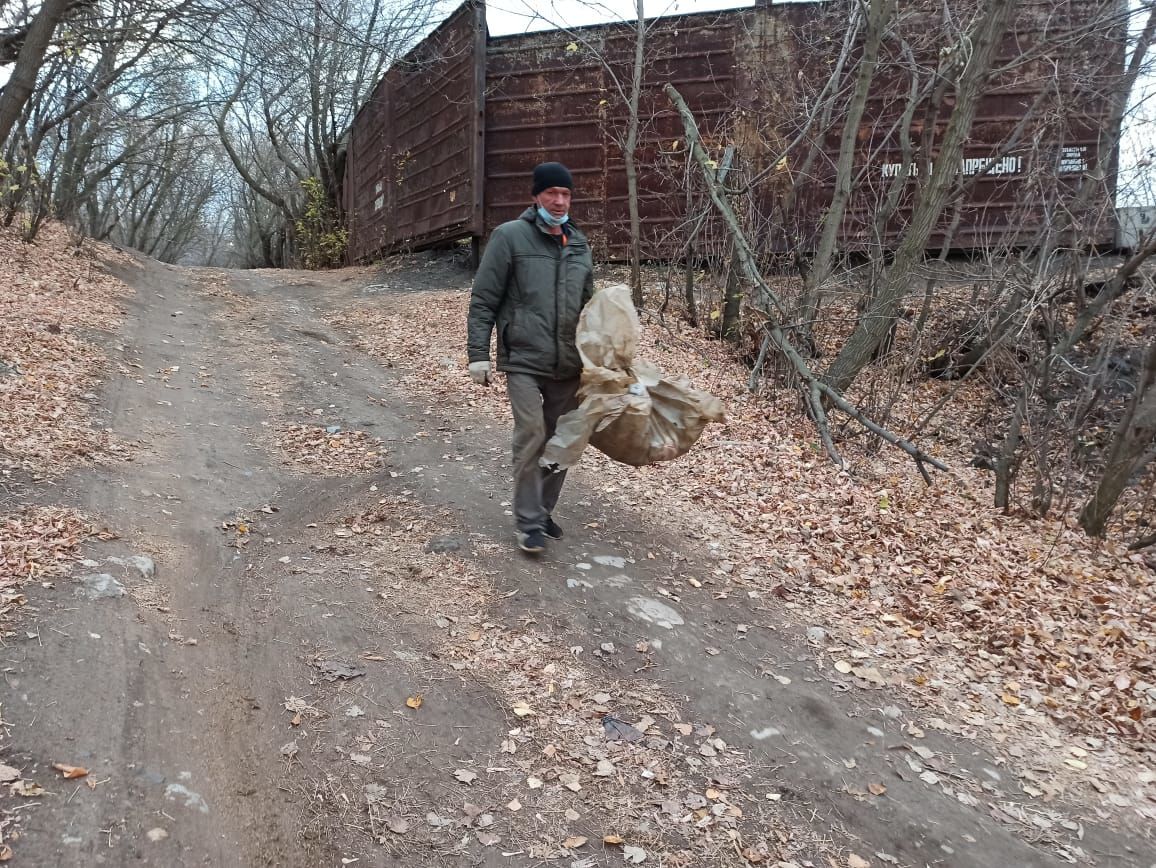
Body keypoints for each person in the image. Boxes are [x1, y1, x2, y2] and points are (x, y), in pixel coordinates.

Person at [467, 162, 595, 554]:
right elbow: (484, 297)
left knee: (563, 440)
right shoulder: (509, 237)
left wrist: (603, 354)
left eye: (566, 194)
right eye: (552, 193)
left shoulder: (579, 244)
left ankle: (542, 510)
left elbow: (590, 307)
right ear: (535, 196)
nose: (559, 201)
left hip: (569, 363)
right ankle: (528, 522)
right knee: (532, 435)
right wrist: (478, 354)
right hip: (522, 357)